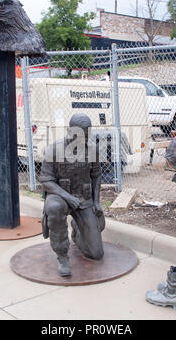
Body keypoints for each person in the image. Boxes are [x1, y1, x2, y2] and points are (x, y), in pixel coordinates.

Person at [39, 113, 105, 277]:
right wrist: (67, 197)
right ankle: (62, 255)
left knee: (96, 254)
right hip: (59, 196)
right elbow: (46, 181)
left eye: (86, 133)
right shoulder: (53, 149)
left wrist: (96, 202)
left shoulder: (92, 150)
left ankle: (78, 230)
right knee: (54, 207)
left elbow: (96, 176)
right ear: (69, 131)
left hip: (83, 199)